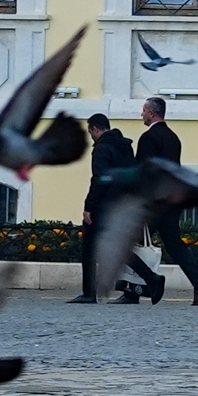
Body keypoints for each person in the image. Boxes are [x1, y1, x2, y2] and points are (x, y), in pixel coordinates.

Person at [132, 96, 198, 307]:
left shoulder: (148, 138)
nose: (141, 114)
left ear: (151, 113)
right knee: (175, 245)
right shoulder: (173, 138)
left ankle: (146, 284)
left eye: (143, 110)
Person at [73, 112, 160, 305]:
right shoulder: (125, 147)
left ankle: (89, 293)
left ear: (95, 129)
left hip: (102, 205)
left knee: (88, 247)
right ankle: (151, 278)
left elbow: (99, 179)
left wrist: (89, 206)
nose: (91, 136)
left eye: (91, 132)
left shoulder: (101, 149)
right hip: (120, 203)